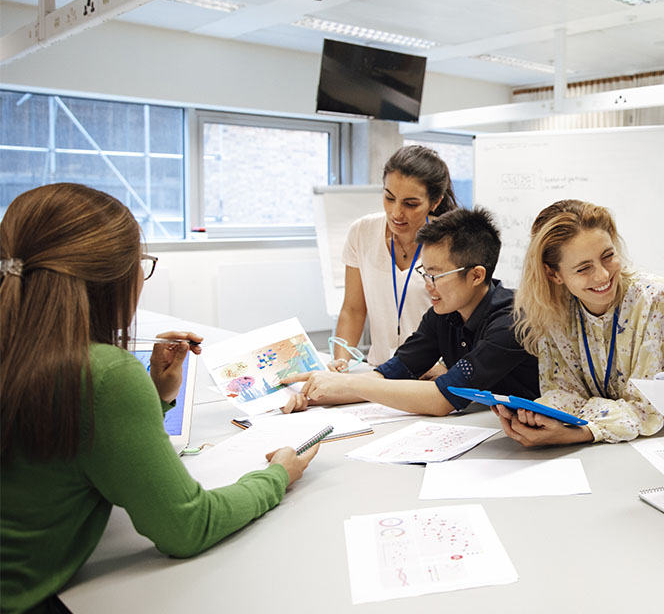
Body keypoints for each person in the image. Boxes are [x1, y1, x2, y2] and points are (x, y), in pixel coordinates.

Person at [0, 183, 318, 614]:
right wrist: (278, 476)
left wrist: (155, 395)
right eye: (142, 264)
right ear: (113, 279)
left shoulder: (21, 350)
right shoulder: (103, 374)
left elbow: (62, 444)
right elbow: (188, 526)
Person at [281, 207, 539, 416]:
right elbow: (388, 375)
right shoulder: (444, 313)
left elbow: (442, 399)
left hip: (541, 442)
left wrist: (346, 383)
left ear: (476, 275)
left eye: (435, 276)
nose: (428, 286)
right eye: (424, 273)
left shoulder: (512, 320)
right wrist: (314, 393)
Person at [502, 199, 664, 447]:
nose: (603, 275)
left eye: (608, 256)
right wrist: (535, 415)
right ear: (554, 274)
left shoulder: (653, 297)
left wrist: (577, 431)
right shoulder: (554, 308)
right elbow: (563, 394)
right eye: (584, 268)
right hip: (597, 448)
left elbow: (647, 411)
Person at [330, 145, 458, 371]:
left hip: (431, 374)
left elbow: (462, 319)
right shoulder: (362, 232)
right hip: (379, 371)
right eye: (389, 198)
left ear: (435, 202)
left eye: (411, 204)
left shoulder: (451, 242)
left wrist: (446, 367)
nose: (396, 213)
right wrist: (341, 362)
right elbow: (353, 309)